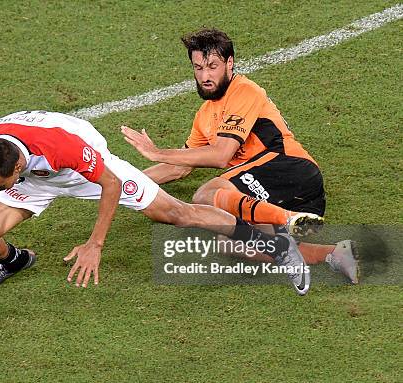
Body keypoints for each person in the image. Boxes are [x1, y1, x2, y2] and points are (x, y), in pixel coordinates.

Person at [0, 110, 314, 295]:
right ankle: (17, 260)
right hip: (39, 178)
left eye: (0, 187)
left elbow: (106, 186)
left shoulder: (61, 147)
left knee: (176, 214)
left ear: (14, 169)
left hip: (85, 168)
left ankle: (277, 247)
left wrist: (95, 242)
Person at [121, 28, 358, 284]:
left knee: (206, 196)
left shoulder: (244, 91)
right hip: (280, 197)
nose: (205, 76)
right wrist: (124, 181)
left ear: (230, 63)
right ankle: (334, 253)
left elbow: (222, 155)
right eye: (198, 68)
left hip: (291, 169)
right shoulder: (204, 115)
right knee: (231, 243)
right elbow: (178, 167)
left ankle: (288, 220)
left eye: (212, 66)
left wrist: (155, 152)